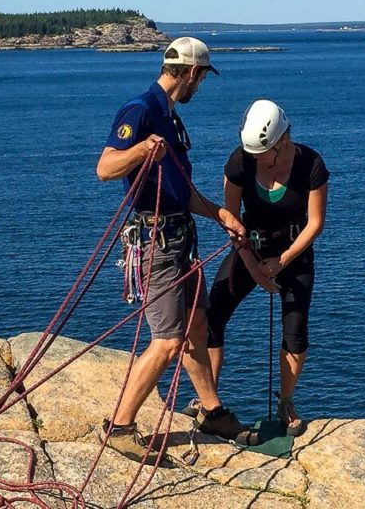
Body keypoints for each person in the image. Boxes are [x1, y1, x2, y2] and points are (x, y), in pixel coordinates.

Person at [96, 37, 251, 462]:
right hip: (157, 242)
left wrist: (220, 214)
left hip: (181, 235)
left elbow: (180, 187)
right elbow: (105, 167)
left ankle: (211, 411)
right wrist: (141, 149)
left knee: (197, 326)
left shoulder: (171, 117)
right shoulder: (141, 109)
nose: (199, 87)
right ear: (189, 73)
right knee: (167, 341)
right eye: (200, 78)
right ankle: (121, 427)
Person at [203, 99, 329, 436]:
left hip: (294, 251)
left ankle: (286, 402)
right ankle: (208, 401)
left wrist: (282, 261)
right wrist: (254, 266)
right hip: (249, 247)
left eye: (262, 154)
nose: (256, 159)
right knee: (211, 314)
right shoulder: (239, 162)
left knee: (296, 330)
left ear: (282, 142)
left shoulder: (311, 164)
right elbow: (231, 221)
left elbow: (315, 224)